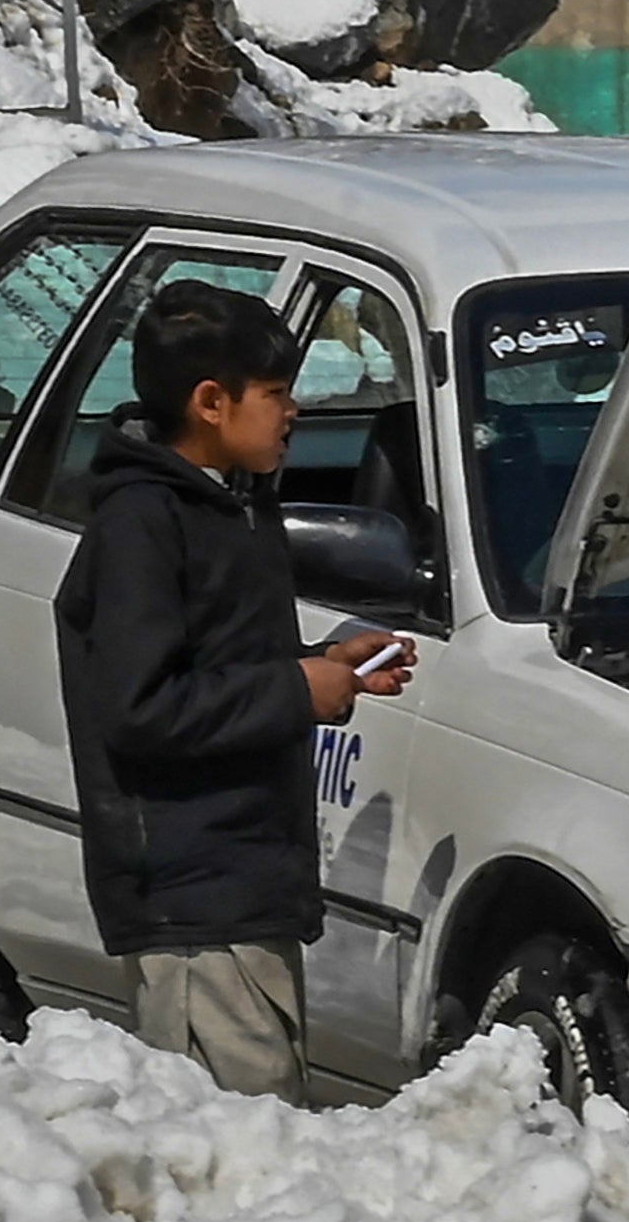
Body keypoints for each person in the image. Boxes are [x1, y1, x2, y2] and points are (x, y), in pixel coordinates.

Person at [53, 280, 411, 1102]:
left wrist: (329, 665)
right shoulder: (142, 522)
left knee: (264, 1135)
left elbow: (222, 661)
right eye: (278, 393)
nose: (294, 413)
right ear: (211, 402)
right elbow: (142, 707)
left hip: (245, 878)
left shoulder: (232, 507)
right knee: (234, 1155)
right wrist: (295, 688)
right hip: (191, 897)